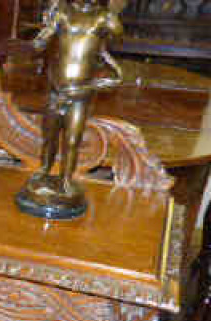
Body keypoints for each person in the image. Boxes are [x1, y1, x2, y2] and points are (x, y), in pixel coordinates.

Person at [20, 0, 125, 215]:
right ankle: (44, 171)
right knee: (49, 136)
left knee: (72, 139)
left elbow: (118, 41)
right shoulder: (63, 12)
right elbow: (41, 42)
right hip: (56, 89)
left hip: (80, 93)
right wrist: (42, 36)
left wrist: (94, 84)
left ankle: (66, 179)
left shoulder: (104, 17)